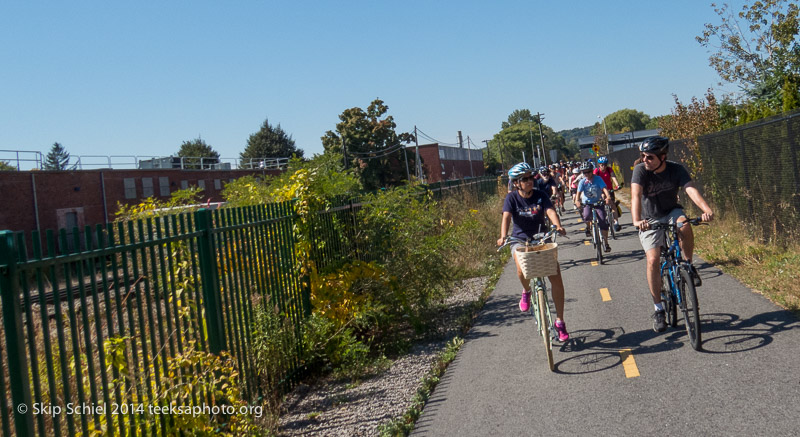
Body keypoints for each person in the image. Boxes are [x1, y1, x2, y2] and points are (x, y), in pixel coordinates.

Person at [630, 136, 714, 333]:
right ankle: (658, 309)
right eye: (643, 156)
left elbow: (690, 189)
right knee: (653, 260)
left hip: (671, 212)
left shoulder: (676, 169)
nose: (645, 160)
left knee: (684, 225)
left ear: (663, 157)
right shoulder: (640, 170)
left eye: (649, 157)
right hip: (649, 219)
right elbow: (635, 195)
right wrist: (636, 220)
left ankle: (688, 265)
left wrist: (706, 209)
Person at [498, 162, 570, 341]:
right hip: (520, 239)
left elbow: (550, 211)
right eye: (525, 179)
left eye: (531, 177)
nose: (530, 181)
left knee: (556, 275)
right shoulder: (511, 199)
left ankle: (560, 322)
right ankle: (526, 291)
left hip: (541, 237)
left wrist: (557, 225)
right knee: (521, 268)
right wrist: (502, 236)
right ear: (516, 183)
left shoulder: (540, 195)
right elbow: (506, 217)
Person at [576, 161, 613, 252]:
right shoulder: (582, 182)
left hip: (598, 202)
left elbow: (604, 189)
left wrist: (608, 197)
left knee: (602, 220)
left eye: (588, 172)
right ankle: (588, 227)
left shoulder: (598, 179)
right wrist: (577, 201)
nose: (586, 174)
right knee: (586, 215)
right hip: (587, 203)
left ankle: (606, 242)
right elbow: (578, 193)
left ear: (592, 171)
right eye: (584, 172)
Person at [594, 156, 622, 231]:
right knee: (602, 203)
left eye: (605, 164)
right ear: (599, 165)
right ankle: (604, 218)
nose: (604, 166)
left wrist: (617, 185)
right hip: (600, 190)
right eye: (602, 165)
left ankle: (616, 222)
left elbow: (613, 177)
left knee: (613, 205)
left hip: (609, 190)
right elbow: (594, 179)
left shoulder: (609, 170)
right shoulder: (597, 171)